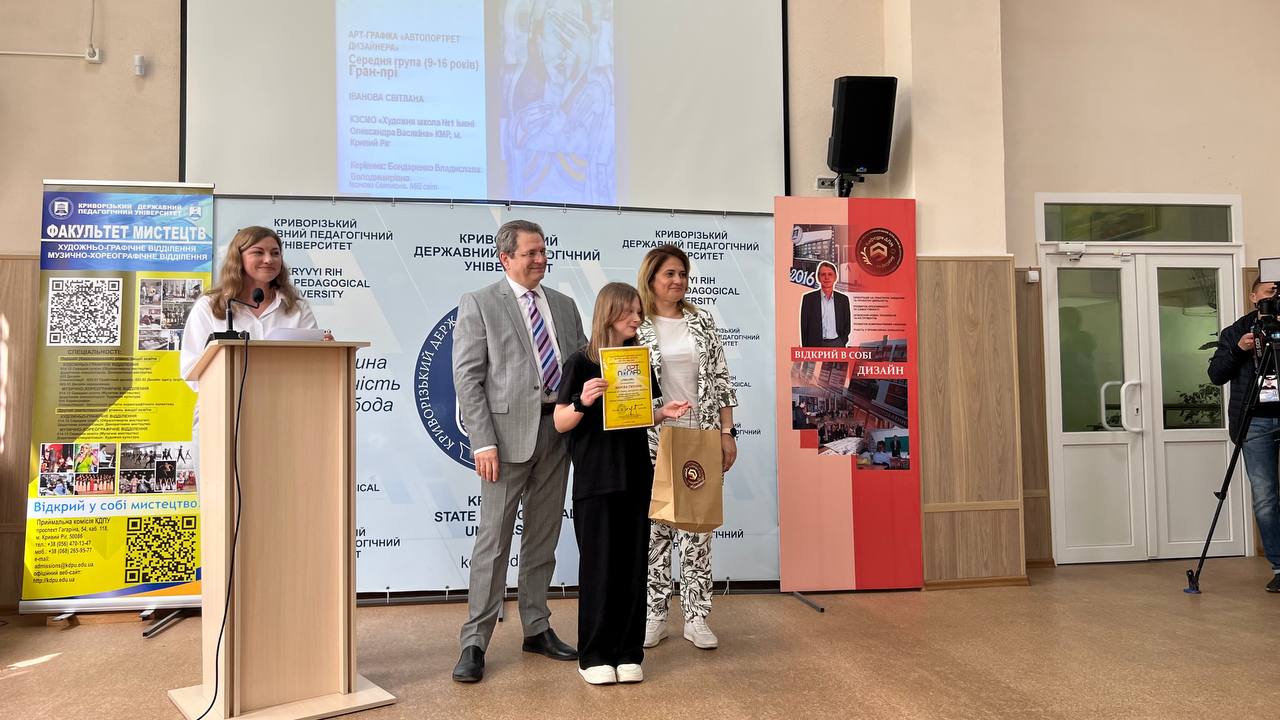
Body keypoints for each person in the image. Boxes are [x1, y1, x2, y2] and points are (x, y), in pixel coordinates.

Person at [450, 219, 589, 683]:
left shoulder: (565, 305)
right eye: (530, 253)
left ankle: (536, 627)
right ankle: (474, 641)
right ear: (505, 258)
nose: (541, 259)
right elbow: (467, 378)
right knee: (493, 543)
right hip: (504, 442)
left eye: (543, 251)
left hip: (558, 434)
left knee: (543, 539)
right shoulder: (480, 303)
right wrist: (483, 441)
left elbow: (582, 366)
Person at [553, 282, 691, 685]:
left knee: (632, 568)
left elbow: (639, 414)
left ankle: (628, 652)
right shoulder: (580, 363)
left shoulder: (636, 360)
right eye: (629, 311)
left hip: (635, 476)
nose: (637, 318)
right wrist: (582, 401)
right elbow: (560, 422)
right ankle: (593, 655)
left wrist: (663, 412)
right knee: (599, 568)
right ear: (609, 313)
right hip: (596, 480)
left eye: (638, 312)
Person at [635, 244, 738, 650]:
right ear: (651, 279)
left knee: (697, 530)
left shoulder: (702, 321)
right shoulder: (636, 324)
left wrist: (727, 432)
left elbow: (721, 378)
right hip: (654, 438)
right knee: (656, 532)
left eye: (682, 274)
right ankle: (655, 615)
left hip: (701, 434)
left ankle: (697, 617)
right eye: (669, 274)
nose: (678, 281)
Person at [179, 225, 332, 389]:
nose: (269, 259)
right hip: (224, 401)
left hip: (286, 400)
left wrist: (327, 352)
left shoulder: (297, 308)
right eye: (258, 252)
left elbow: (313, 365)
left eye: (275, 253)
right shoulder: (209, 306)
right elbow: (191, 371)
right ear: (238, 258)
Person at [1207, 277, 1280, 593]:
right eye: (1270, 291)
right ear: (1254, 296)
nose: (1276, 296)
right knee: (1265, 497)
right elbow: (1216, 375)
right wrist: (1239, 349)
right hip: (1256, 422)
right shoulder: (1238, 331)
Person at [799, 261, 851, 347]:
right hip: (815, 344)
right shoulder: (808, 299)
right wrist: (806, 349)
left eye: (830, 274)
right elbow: (804, 327)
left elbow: (847, 324)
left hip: (837, 344)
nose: (826, 277)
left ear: (835, 277)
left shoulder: (843, 300)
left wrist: (842, 341)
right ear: (818, 278)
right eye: (823, 274)